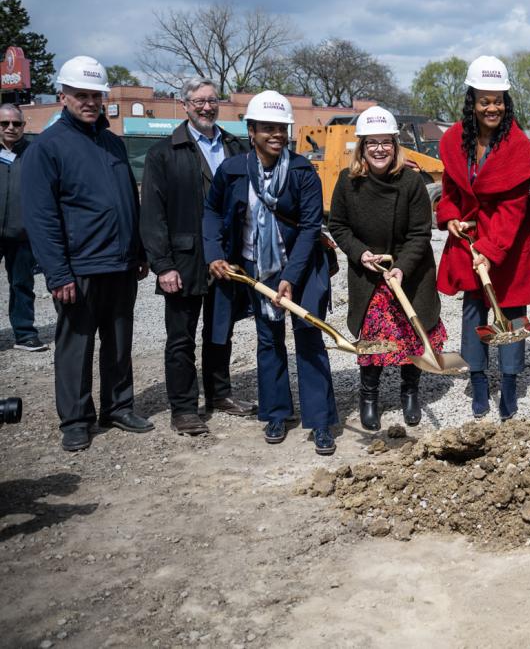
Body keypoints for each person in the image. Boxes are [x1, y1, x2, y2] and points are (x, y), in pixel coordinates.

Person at [21, 56, 154, 451]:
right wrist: (58, 274)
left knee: (119, 340)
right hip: (79, 266)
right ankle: (76, 419)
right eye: (81, 95)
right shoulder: (47, 148)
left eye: (96, 95)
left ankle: (118, 406)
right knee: (76, 344)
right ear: (62, 96)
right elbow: (41, 218)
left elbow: (130, 199)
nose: (90, 102)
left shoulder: (113, 142)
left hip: (120, 262)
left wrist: (140, 250)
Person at [203, 91, 339, 455]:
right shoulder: (231, 171)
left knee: (309, 337)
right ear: (251, 131)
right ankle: (276, 412)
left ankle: (321, 421)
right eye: (268, 128)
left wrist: (290, 278)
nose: (276, 134)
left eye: (282, 128)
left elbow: (311, 227)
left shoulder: (301, 171)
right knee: (269, 339)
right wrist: (214, 253)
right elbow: (213, 213)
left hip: (302, 267)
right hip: (257, 269)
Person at [140, 79, 252, 436]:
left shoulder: (236, 148)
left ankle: (219, 394)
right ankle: (185, 408)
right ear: (184, 105)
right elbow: (153, 215)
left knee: (220, 331)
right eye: (199, 101)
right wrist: (163, 264)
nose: (207, 107)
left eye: (212, 100)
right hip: (184, 260)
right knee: (181, 338)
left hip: (226, 259)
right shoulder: (164, 153)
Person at [436, 56, 530, 420]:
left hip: (507, 242)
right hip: (469, 235)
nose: (492, 107)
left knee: (510, 311)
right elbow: (450, 187)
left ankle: (509, 384)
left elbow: (513, 209)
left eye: (498, 100)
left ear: (506, 102)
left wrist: (491, 250)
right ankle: (478, 378)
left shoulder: (518, 147)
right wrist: (449, 217)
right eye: (485, 101)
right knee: (473, 310)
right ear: (473, 102)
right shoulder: (455, 141)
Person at [329, 106, 442, 430]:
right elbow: (337, 226)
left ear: (395, 144)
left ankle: (410, 393)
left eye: (386, 142)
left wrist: (402, 267)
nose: (379, 149)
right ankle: (369, 397)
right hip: (370, 274)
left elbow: (421, 232)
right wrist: (360, 253)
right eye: (372, 142)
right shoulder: (347, 182)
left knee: (411, 335)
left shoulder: (411, 182)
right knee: (374, 340)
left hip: (409, 272)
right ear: (362, 147)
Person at [0, 103, 45, 352]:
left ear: (23, 126)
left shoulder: (34, 153)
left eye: (16, 123)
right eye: (4, 123)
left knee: (22, 285)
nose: (10, 128)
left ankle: (25, 334)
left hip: (23, 233)